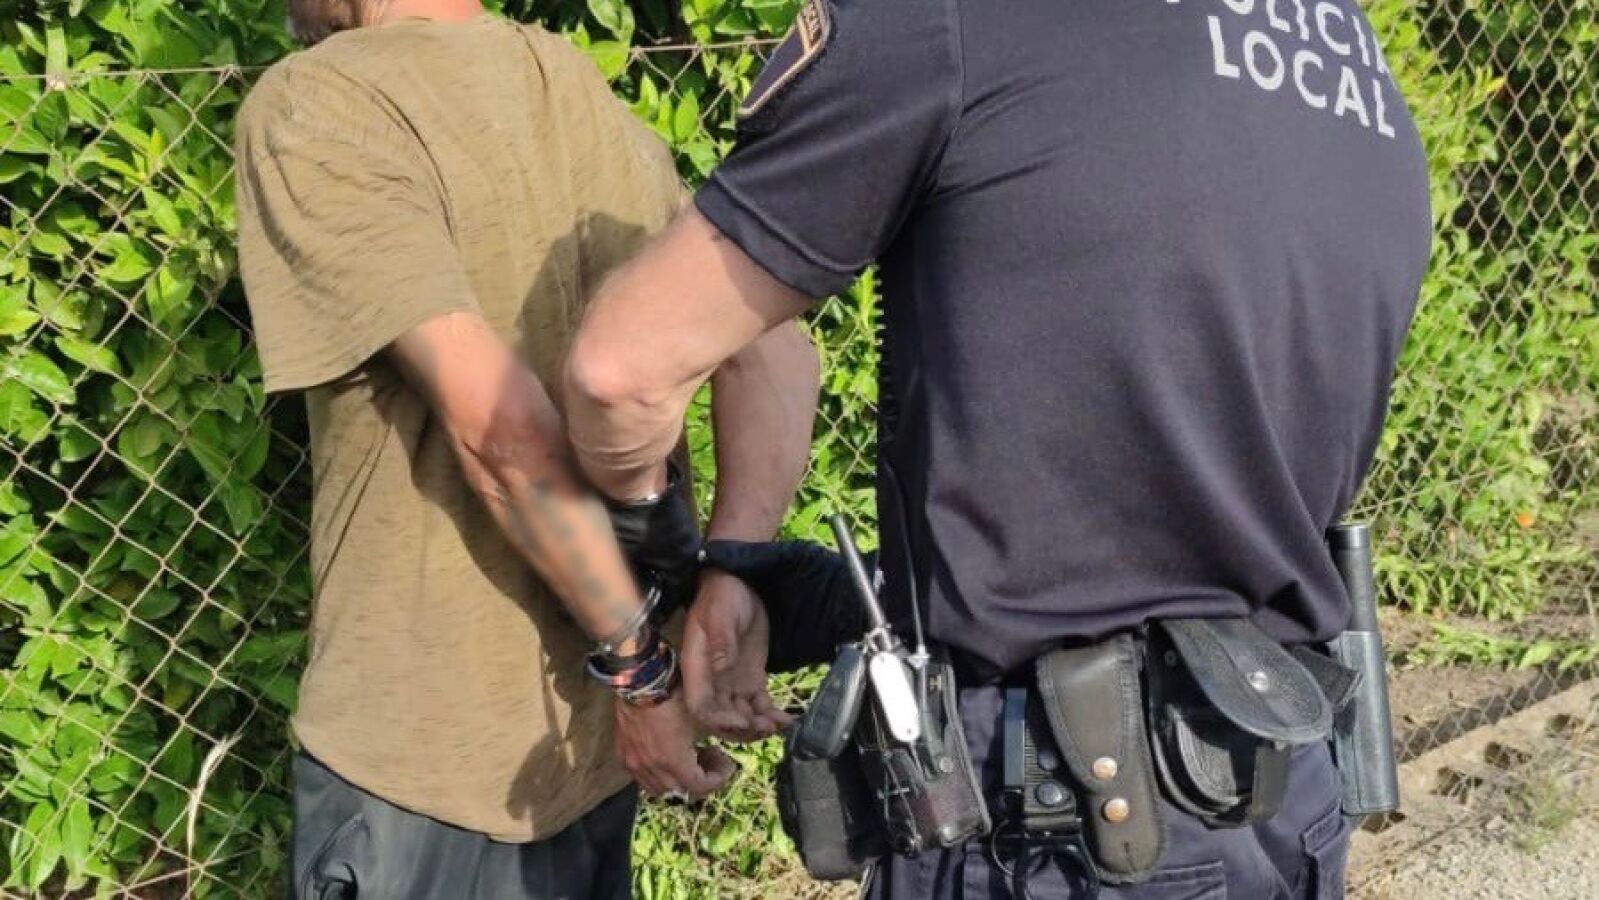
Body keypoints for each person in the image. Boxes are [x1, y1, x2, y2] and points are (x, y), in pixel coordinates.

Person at [562, 0, 1431, 897]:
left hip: (1049, 829)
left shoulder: (958, 21)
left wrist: (654, 572)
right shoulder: (1350, 64)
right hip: (1282, 792)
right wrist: (749, 567)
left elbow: (618, 372)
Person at [234, 0, 818, 896]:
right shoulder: (577, 86)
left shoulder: (320, 102)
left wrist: (641, 675)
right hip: (587, 752)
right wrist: (732, 576)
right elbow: (770, 346)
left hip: (428, 761)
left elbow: (500, 429)